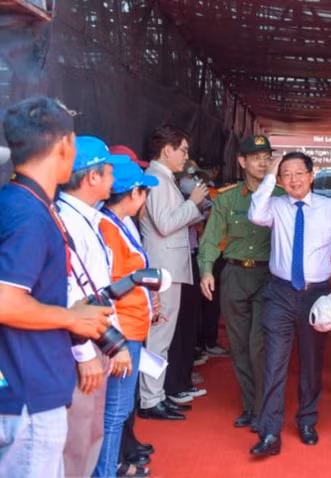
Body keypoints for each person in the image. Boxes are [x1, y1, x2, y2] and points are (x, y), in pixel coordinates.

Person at [0, 95, 111, 477]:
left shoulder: (18, 201)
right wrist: (72, 319)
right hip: (28, 392)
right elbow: (5, 303)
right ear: (65, 145)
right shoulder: (28, 213)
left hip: (22, 384)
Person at [248, 151, 331, 458]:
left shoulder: (330, 208)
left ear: (312, 175)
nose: (293, 179)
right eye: (286, 175)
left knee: (311, 361)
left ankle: (307, 420)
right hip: (280, 292)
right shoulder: (275, 207)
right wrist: (270, 174)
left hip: (316, 294)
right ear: (279, 180)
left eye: (298, 173)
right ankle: (270, 431)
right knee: (274, 363)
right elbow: (255, 213)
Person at [56, 135, 130, 477]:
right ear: (92, 177)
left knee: (90, 434)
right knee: (76, 442)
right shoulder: (68, 221)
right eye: (109, 173)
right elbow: (72, 294)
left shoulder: (87, 217)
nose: (114, 182)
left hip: (97, 337)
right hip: (82, 344)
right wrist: (86, 356)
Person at [198, 135, 282, 428]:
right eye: (256, 156)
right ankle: (250, 404)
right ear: (242, 161)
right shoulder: (227, 198)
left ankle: (263, 408)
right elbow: (210, 238)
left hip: (268, 277)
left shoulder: (281, 196)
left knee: (259, 344)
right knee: (239, 345)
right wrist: (207, 269)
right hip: (234, 275)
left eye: (267, 156)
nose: (262, 161)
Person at [95, 160, 160, 478]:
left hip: (129, 330)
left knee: (116, 411)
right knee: (114, 413)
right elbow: (103, 289)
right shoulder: (107, 228)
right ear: (135, 193)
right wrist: (117, 339)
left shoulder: (117, 224)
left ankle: (109, 468)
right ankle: (105, 472)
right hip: (121, 333)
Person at [138, 125, 207, 420]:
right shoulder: (156, 178)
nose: (185, 157)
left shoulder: (164, 178)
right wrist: (193, 204)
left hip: (167, 266)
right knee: (158, 337)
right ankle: (150, 399)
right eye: (183, 150)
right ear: (168, 150)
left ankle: (157, 394)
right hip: (163, 268)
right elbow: (165, 224)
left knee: (161, 337)